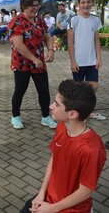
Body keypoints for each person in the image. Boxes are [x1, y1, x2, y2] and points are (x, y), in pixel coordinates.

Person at [20, 80, 106, 213]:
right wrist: (42, 192)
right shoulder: (61, 126)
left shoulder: (92, 149)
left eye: (56, 104)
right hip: (49, 198)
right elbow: (54, 158)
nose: (50, 106)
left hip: (71, 208)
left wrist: (52, 209)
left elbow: (86, 191)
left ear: (72, 114)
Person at [8, 0, 57, 130]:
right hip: (21, 63)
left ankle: (46, 117)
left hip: (39, 62)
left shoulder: (39, 20)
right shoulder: (16, 22)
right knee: (20, 90)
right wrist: (34, 59)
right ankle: (15, 116)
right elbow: (19, 45)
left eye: (37, 5)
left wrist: (51, 50)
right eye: (32, 6)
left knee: (43, 90)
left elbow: (47, 36)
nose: (35, 8)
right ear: (24, 6)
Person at [68, 0, 106, 121]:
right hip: (78, 61)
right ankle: (78, 112)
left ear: (92, 2)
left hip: (92, 61)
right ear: (78, 4)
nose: (86, 4)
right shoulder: (74, 20)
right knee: (79, 88)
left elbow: (96, 40)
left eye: (88, 1)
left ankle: (88, 111)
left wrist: (99, 58)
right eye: (83, 2)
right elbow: (70, 42)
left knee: (93, 85)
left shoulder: (95, 20)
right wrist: (73, 61)